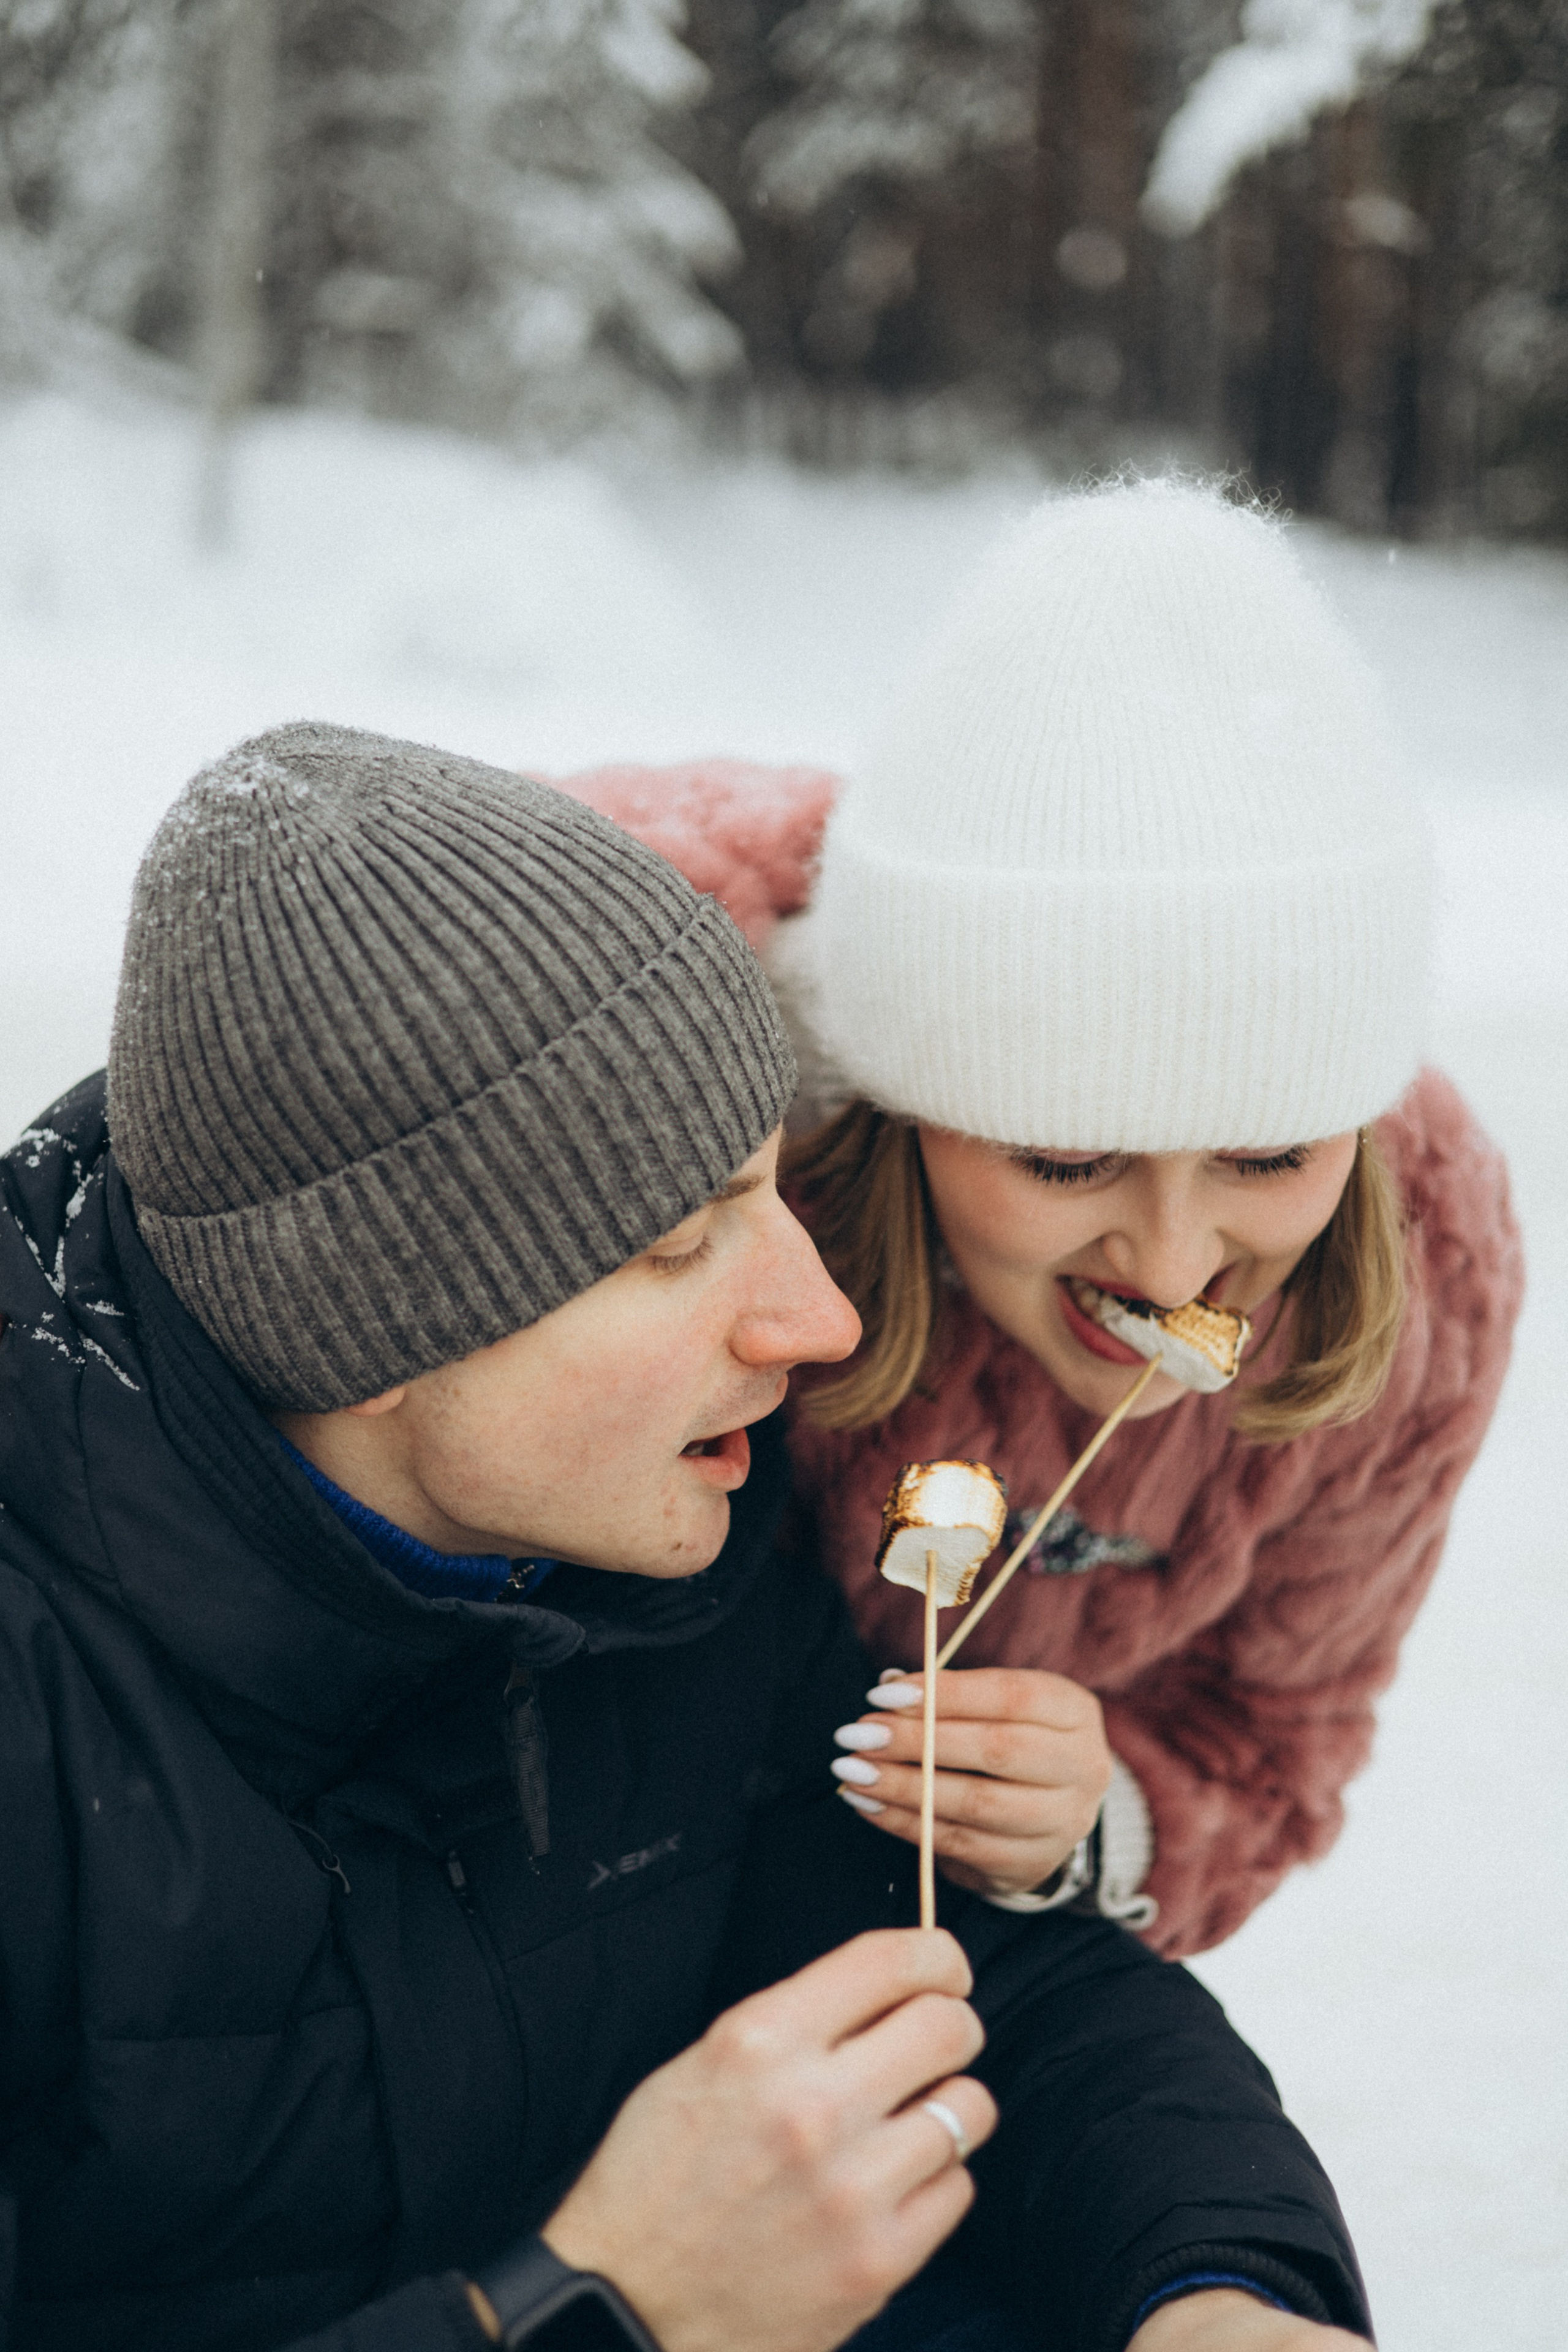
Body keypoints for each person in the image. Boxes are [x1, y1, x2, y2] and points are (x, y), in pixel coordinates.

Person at [0, 721, 1374, 2352]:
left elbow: (956, 1971)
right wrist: (603, 2308)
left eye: (773, 1192)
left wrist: (1215, 2283)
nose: (820, 1320)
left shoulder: (666, 1552)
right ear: (365, 1318)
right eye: (674, 1244)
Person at [558, 480, 1523, 1958]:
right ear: (901, 1098)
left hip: (986, 1930)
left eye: (1266, 1156)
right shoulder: (697, 1092)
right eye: (1067, 1163)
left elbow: (1270, 1737)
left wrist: (1097, 1821)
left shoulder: (1423, 1246)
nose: (1172, 1261)